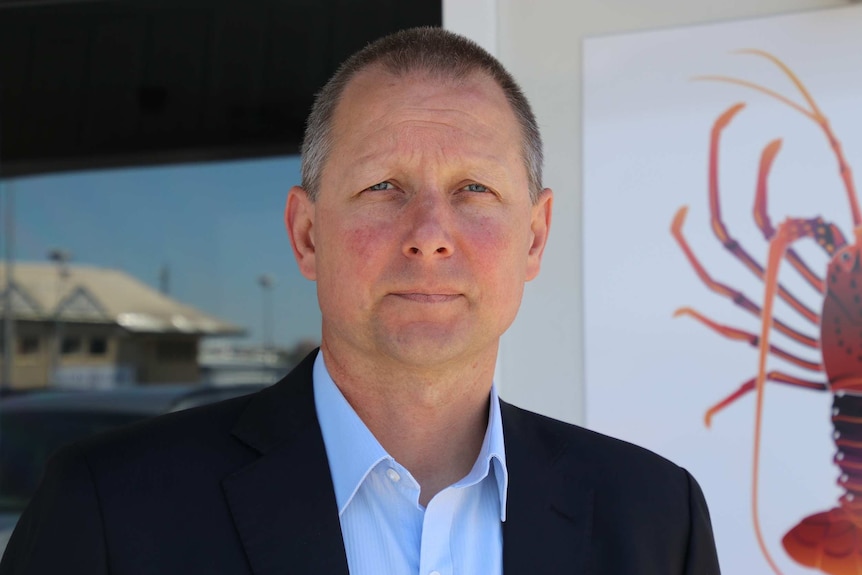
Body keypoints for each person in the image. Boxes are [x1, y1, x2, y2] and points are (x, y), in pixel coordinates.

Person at [0, 27, 720, 574]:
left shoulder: (654, 519)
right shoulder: (109, 511)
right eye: (383, 187)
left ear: (534, 237)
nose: (431, 235)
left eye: (475, 189)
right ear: (307, 234)